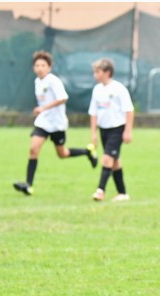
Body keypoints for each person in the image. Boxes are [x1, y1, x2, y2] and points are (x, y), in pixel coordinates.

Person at [13, 50, 98, 196]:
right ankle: (28, 185)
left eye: (43, 65)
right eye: (37, 65)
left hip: (57, 124)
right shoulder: (37, 81)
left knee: (62, 154)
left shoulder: (53, 81)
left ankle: (87, 152)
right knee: (33, 149)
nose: (40, 68)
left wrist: (43, 108)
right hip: (43, 123)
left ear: (49, 67)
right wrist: (42, 111)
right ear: (33, 68)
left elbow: (63, 98)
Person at [89, 58, 135, 202]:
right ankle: (122, 193)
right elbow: (93, 112)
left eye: (98, 72)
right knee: (114, 161)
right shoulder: (97, 89)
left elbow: (129, 110)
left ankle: (100, 190)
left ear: (107, 72)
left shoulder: (119, 88)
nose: (95, 75)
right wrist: (93, 133)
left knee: (107, 158)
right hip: (104, 129)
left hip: (117, 128)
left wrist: (128, 131)